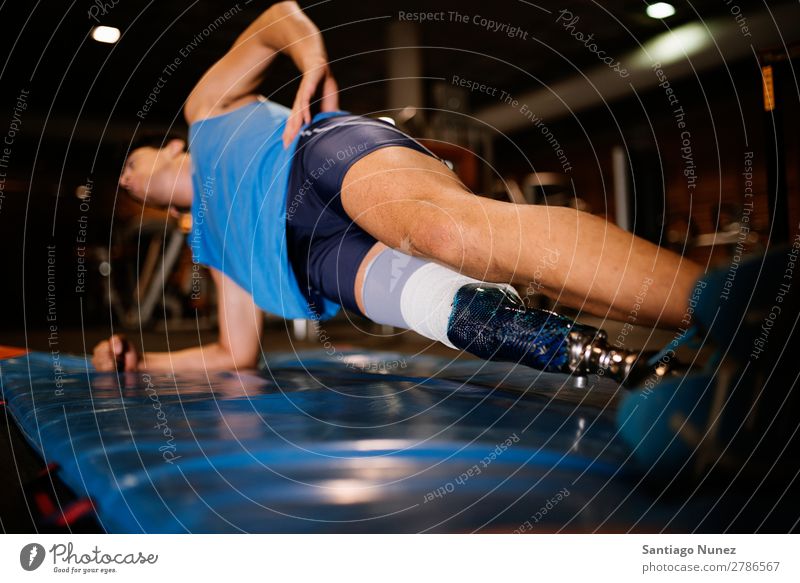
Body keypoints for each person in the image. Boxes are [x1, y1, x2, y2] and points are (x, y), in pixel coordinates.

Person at [93, 1, 704, 384]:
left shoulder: (202, 116)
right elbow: (234, 354)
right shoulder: (215, 249)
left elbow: (274, 18)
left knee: (444, 230)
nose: (123, 177)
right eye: (122, 183)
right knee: (466, 318)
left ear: (168, 151)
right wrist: (140, 363)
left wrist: (311, 62)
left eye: (130, 163)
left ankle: (730, 307)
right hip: (318, 258)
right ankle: (648, 370)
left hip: (316, 159)